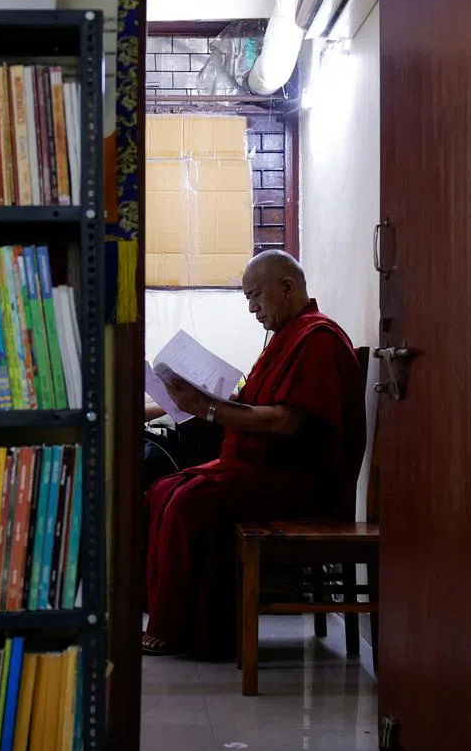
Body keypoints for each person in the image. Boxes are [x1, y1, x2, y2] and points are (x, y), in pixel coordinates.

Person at [142, 250, 366, 658]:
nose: (252, 309)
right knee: (162, 489)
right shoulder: (286, 340)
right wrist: (202, 397)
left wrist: (207, 408)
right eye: (248, 299)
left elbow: (286, 422)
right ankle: (180, 620)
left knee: (190, 501)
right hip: (261, 472)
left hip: (299, 484)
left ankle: (182, 629)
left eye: (256, 296)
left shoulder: (318, 338)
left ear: (288, 287)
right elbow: (250, 403)